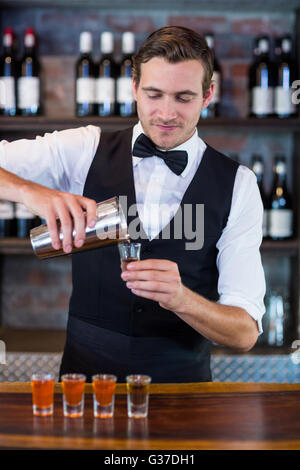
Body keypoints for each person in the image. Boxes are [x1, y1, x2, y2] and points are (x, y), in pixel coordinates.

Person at [0, 26, 265, 382]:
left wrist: (182, 299)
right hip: (86, 385)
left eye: (184, 98)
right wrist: (31, 192)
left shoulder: (239, 184)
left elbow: (245, 332)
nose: (167, 113)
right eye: (154, 94)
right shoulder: (84, 148)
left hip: (183, 393)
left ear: (208, 95)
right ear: (134, 87)